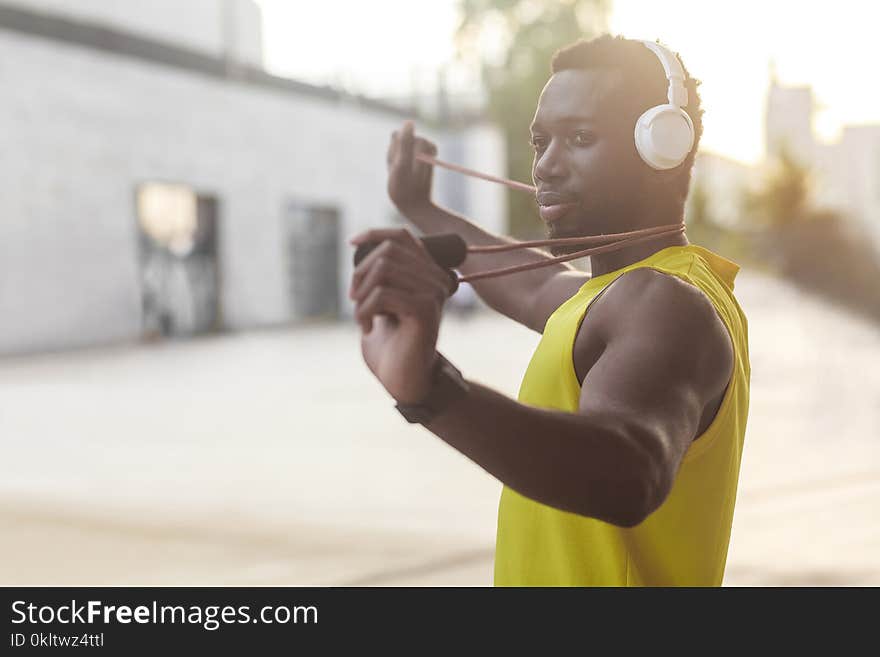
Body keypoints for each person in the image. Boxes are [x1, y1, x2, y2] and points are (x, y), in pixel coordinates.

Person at [348, 35, 750, 586]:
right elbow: (536, 286)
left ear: (664, 146)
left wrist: (430, 388)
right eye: (541, 143)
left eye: (580, 138)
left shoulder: (664, 303)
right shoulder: (624, 293)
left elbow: (631, 473)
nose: (547, 166)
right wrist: (422, 209)